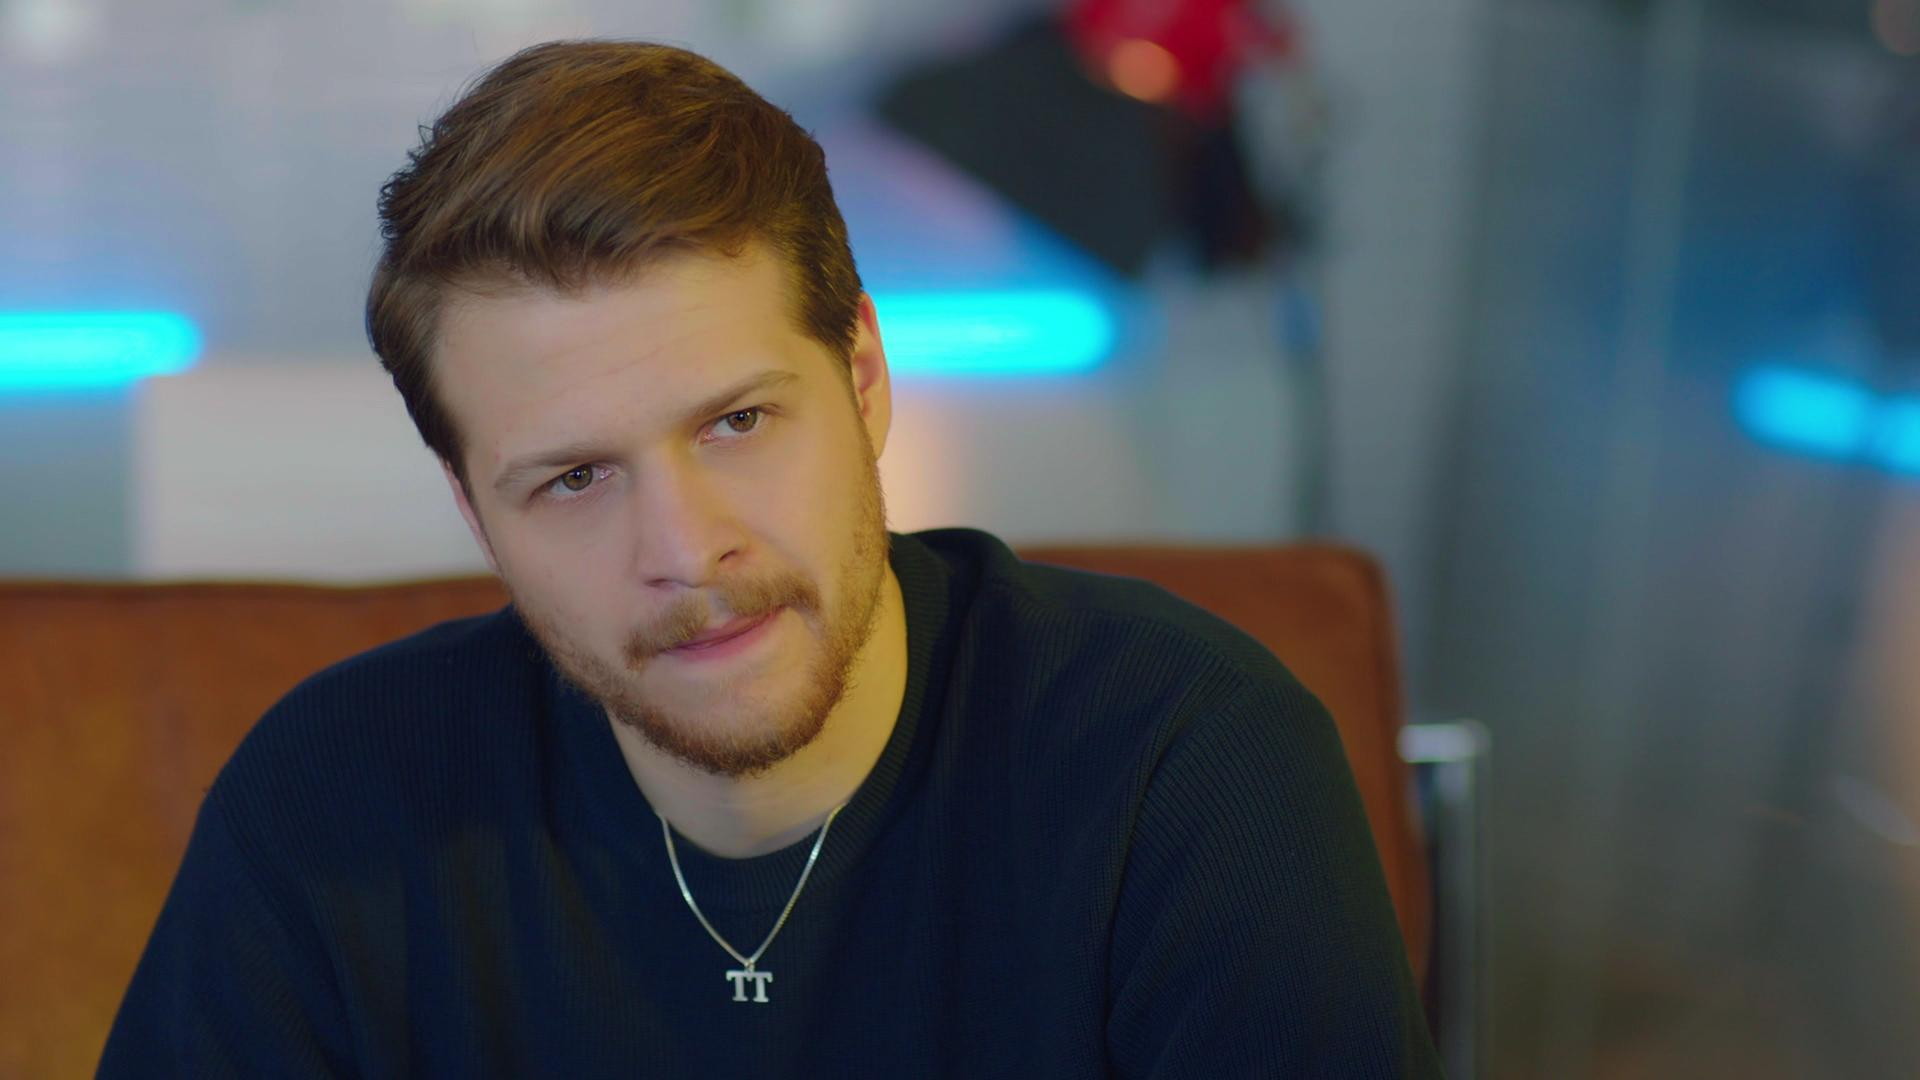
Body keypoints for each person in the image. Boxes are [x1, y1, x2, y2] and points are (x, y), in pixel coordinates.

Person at [100, 39, 1441, 1077]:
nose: (687, 551)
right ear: (472, 512)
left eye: (736, 423)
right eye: (573, 480)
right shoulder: (331, 800)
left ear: (863, 378)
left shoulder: (1184, 765)